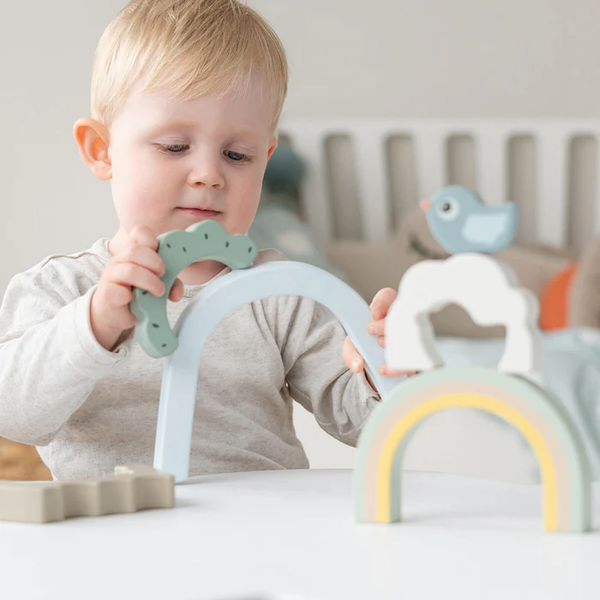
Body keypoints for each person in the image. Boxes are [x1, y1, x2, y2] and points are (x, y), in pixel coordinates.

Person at [0, 0, 401, 480]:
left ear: (266, 158)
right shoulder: (59, 288)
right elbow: (16, 417)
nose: (209, 174)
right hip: (117, 542)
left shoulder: (280, 292)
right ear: (101, 150)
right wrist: (93, 325)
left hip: (257, 535)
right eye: (174, 147)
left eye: (237, 154)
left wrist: (388, 368)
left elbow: (368, 424)